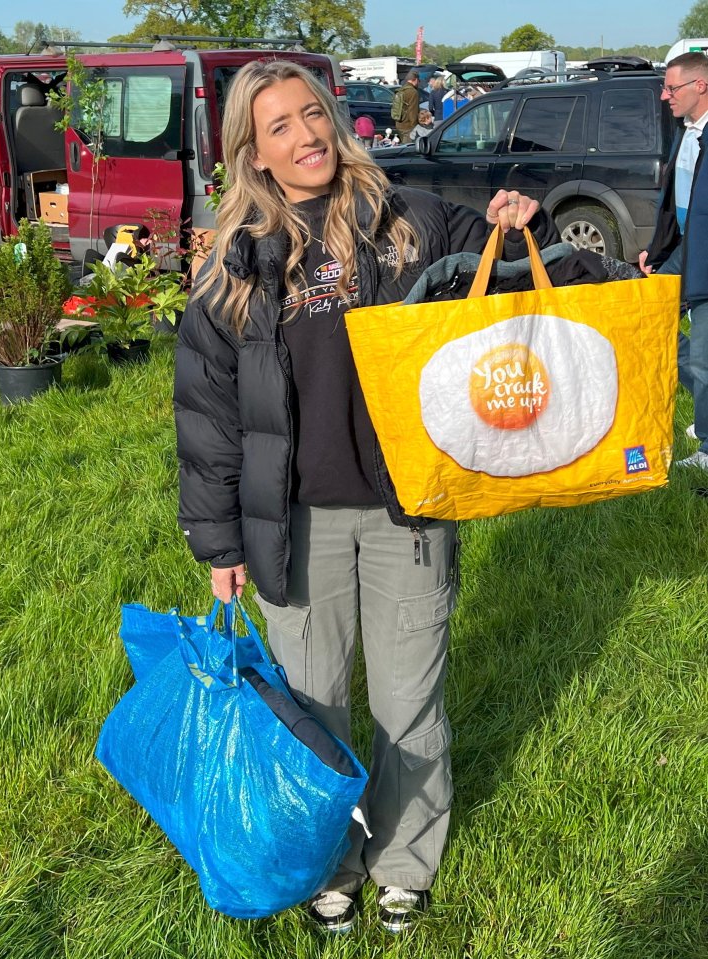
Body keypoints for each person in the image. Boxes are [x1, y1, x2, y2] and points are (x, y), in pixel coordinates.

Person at [173, 59, 559, 935]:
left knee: (406, 703)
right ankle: (331, 859)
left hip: (405, 510)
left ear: (337, 122)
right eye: (279, 127)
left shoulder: (406, 219)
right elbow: (207, 417)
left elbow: (494, 247)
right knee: (312, 706)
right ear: (253, 152)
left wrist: (512, 213)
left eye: (314, 115)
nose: (306, 136)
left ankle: (402, 859)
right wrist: (219, 543)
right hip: (292, 523)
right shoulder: (233, 266)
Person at [640, 52, 708, 473]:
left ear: (701, 86)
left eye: (672, 87)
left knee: (702, 351)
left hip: (704, 256)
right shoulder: (685, 132)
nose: (664, 96)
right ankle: (704, 405)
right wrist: (658, 248)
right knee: (652, 316)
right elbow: (675, 203)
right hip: (685, 249)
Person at [394, 69, 421, 143]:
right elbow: (413, 111)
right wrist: (415, 126)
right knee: (408, 149)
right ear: (415, 80)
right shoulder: (413, 92)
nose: (419, 82)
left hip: (399, 123)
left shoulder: (401, 90)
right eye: (418, 80)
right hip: (408, 126)